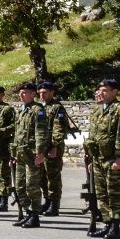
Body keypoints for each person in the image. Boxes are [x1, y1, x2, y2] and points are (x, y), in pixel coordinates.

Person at [84, 79, 120, 239]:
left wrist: (119, 158)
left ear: (114, 92)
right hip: (98, 158)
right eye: (100, 90)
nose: (101, 93)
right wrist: (90, 156)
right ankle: (107, 223)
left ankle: (115, 226)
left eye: (105, 90)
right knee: (101, 193)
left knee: (113, 192)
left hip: (112, 158)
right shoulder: (97, 110)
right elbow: (93, 134)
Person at [10, 83, 49, 228]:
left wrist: (40, 153)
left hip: (32, 155)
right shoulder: (22, 111)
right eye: (20, 92)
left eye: (25, 92)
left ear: (33, 94)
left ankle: (35, 216)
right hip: (21, 154)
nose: (21, 95)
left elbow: (41, 133)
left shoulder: (37, 110)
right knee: (20, 186)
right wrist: (13, 154)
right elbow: (17, 134)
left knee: (31, 186)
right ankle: (28, 212)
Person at [38, 81, 72, 216]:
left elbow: (58, 129)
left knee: (53, 176)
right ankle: (47, 200)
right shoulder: (40, 107)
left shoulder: (57, 108)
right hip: (41, 147)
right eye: (40, 93)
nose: (42, 95)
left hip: (52, 146)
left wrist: (54, 147)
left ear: (52, 93)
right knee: (41, 175)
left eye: (44, 92)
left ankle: (54, 204)